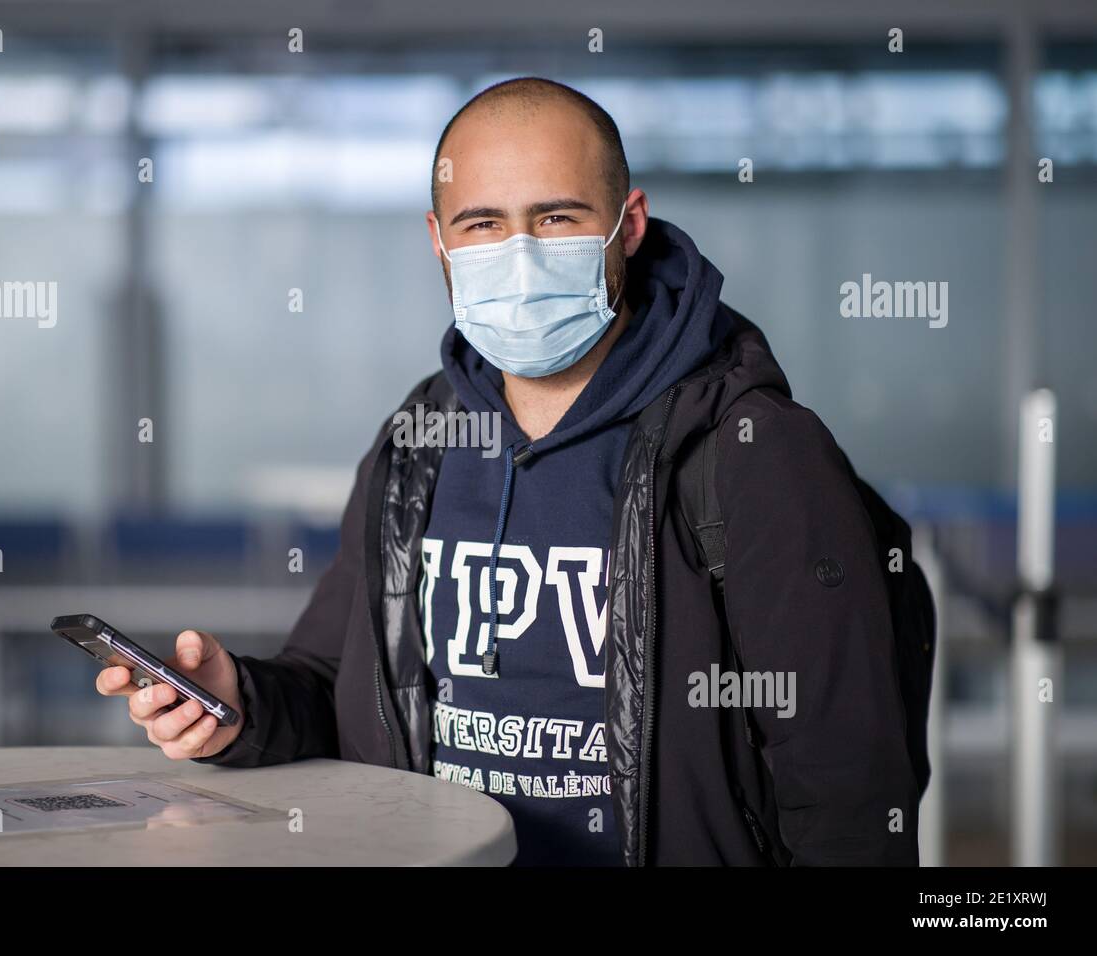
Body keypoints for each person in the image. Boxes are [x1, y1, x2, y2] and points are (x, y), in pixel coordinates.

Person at [97, 76, 919, 866]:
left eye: (556, 218)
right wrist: (238, 706)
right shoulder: (420, 440)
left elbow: (847, 782)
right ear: (439, 239)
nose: (518, 256)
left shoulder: (751, 451)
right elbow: (339, 683)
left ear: (628, 226)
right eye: (483, 224)